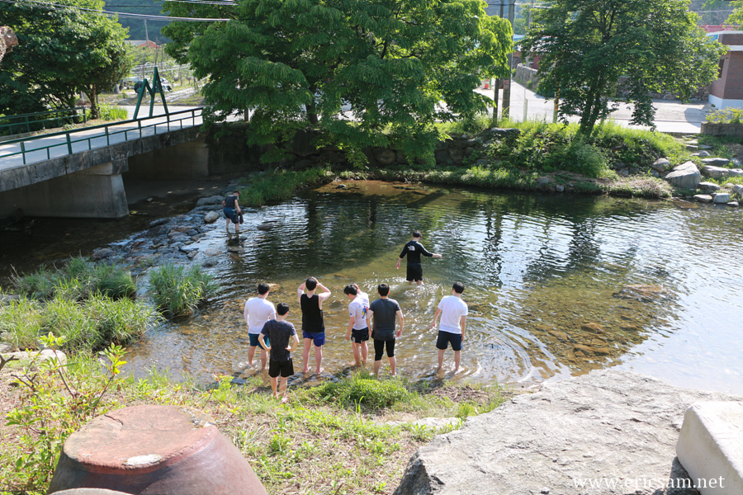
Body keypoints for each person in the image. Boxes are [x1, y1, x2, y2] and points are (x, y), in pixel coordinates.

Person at [258, 303, 300, 402]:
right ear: (287, 313)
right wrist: (292, 349)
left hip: (274, 356)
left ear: (276, 312)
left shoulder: (269, 323)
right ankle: (281, 397)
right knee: (284, 378)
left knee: (273, 377)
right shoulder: (289, 325)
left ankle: (274, 394)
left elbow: (260, 338)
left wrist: (267, 348)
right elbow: (297, 341)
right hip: (285, 357)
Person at [430, 282, 468, 374]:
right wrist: (463, 333)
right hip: (455, 331)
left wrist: (434, 322)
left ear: (453, 289)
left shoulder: (445, 299)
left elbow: (437, 312)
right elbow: (463, 322)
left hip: (443, 329)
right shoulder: (463, 305)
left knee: (441, 350)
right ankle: (456, 369)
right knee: (457, 351)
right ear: (462, 292)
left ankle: (440, 367)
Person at [367, 283, 404, 377]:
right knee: (391, 353)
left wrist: (369, 329)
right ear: (389, 292)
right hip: (390, 333)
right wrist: (400, 329)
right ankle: (393, 373)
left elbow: (367, 317)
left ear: (378, 292)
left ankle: (375, 374)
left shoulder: (374, 303)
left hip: (378, 333)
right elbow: (401, 317)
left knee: (378, 354)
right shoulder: (394, 303)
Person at [297, 277, 331, 374]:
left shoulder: (301, 297)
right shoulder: (319, 298)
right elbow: (328, 292)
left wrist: (307, 281)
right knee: (318, 349)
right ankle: (318, 369)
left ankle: (305, 368)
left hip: (306, 326)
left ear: (306, 286)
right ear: (315, 287)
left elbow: (300, 288)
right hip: (318, 328)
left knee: (306, 348)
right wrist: (319, 284)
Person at [243, 282, 275, 371]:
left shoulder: (249, 301)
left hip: (252, 329)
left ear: (257, 291)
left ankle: (250, 363)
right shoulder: (269, 305)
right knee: (264, 350)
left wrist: (248, 323)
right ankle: (263, 368)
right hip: (264, 332)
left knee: (252, 346)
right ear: (267, 292)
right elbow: (273, 321)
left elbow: (245, 314)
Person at [344, 284, 370, 367]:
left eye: (347, 295)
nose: (348, 297)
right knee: (364, 343)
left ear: (350, 294)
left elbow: (352, 321)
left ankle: (358, 364)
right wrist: (358, 288)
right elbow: (361, 292)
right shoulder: (365, 296)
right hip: (367, 326)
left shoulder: (352, 304)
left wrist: (348, 333)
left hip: (358, 328)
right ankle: (365, 361)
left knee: (355, 346)